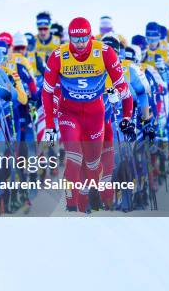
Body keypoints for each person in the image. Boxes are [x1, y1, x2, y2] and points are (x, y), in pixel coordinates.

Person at [42, 17, 133, 213]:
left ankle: (87, 195)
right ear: (69, 39)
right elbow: (47, 91)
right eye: (75, 39)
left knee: (92, 165)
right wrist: (50, 125)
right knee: (74, 159)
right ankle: (72, 207)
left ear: (91, 37)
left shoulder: (105, 52)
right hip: (69, 113)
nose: (80, 44)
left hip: (95, 115)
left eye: (84, 39)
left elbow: (124, 90)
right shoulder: (59, 55)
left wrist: (127, 117)